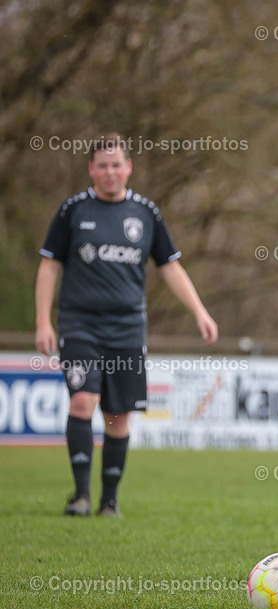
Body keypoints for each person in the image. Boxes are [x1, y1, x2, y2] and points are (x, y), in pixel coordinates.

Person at [35, 133, 218, 518]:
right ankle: (82, 496)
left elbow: (170, 266)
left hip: (128, 328)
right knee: (84, 399)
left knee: (118, 415)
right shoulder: (73, 210)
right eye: (102, 165)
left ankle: (109, 500)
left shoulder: (146, 213)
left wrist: (199, 311)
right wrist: (42, 320)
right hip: (79, 323)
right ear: (91, 169)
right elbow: (50, 265)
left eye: (117, 164)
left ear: (128, 168)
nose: (110, 172)